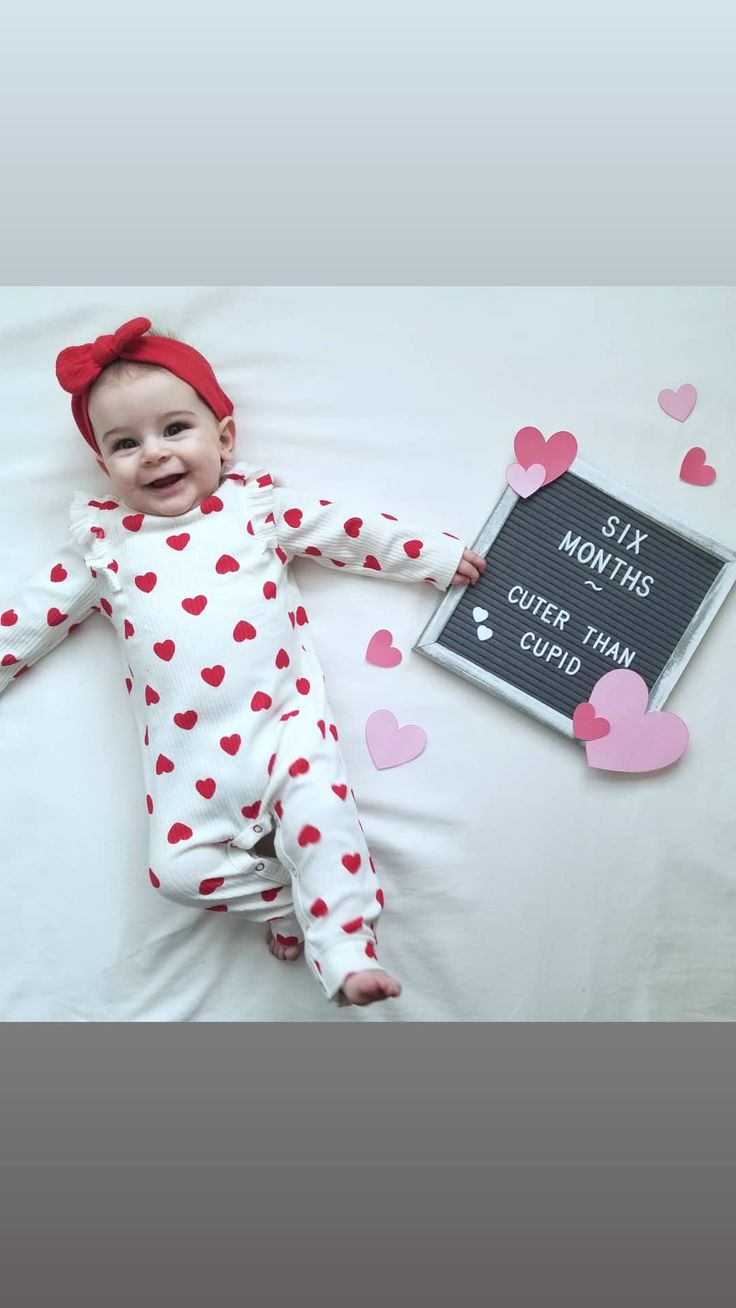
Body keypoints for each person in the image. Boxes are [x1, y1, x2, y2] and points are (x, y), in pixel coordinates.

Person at [0, 317, 486, 1008]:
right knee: (175, 873)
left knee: (326, 824)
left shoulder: (252, 509)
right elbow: (28, 618)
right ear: (104, 467)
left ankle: (345, 946)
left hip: (286, 731)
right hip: (187, 765)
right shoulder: (102, 545)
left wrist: (431, 556)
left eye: (175, 430)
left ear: (223, 439)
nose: (154, 455)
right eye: (125, 444)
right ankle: (292, 907)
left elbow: (348, 531)